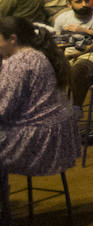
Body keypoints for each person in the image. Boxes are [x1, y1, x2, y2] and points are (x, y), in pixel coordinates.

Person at [0, 16, 80, 178]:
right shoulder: (38, 55)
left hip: (36, 139)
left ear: (12, 39)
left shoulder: (18, 63)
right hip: (55, 132)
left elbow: (3, 109)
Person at [53, 0, 93, 107]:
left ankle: (76, 107)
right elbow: (57, 41)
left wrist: (74, 54)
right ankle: (56, 107)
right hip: (69, 52)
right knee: (47, 69)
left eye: (87, 1)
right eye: (79, 2)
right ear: (69, 5)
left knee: (78, 70)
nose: (84, 5)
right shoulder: (62, 18)